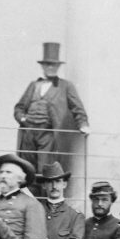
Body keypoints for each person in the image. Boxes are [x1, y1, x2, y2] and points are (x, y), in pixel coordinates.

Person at [14, 42, 90, 175]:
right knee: (26, 168)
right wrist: (23, 119)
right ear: (42, 66)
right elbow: (19, 108)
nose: (50, 67)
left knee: (45, 168)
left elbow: (77, 108)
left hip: (47, 132)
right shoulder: (34, 85)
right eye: (47, 64)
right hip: (28, 132)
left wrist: (83, 124)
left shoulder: (65, 86)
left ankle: (44, 195)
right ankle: (30, 196)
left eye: (53, 65)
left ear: (58, 67)